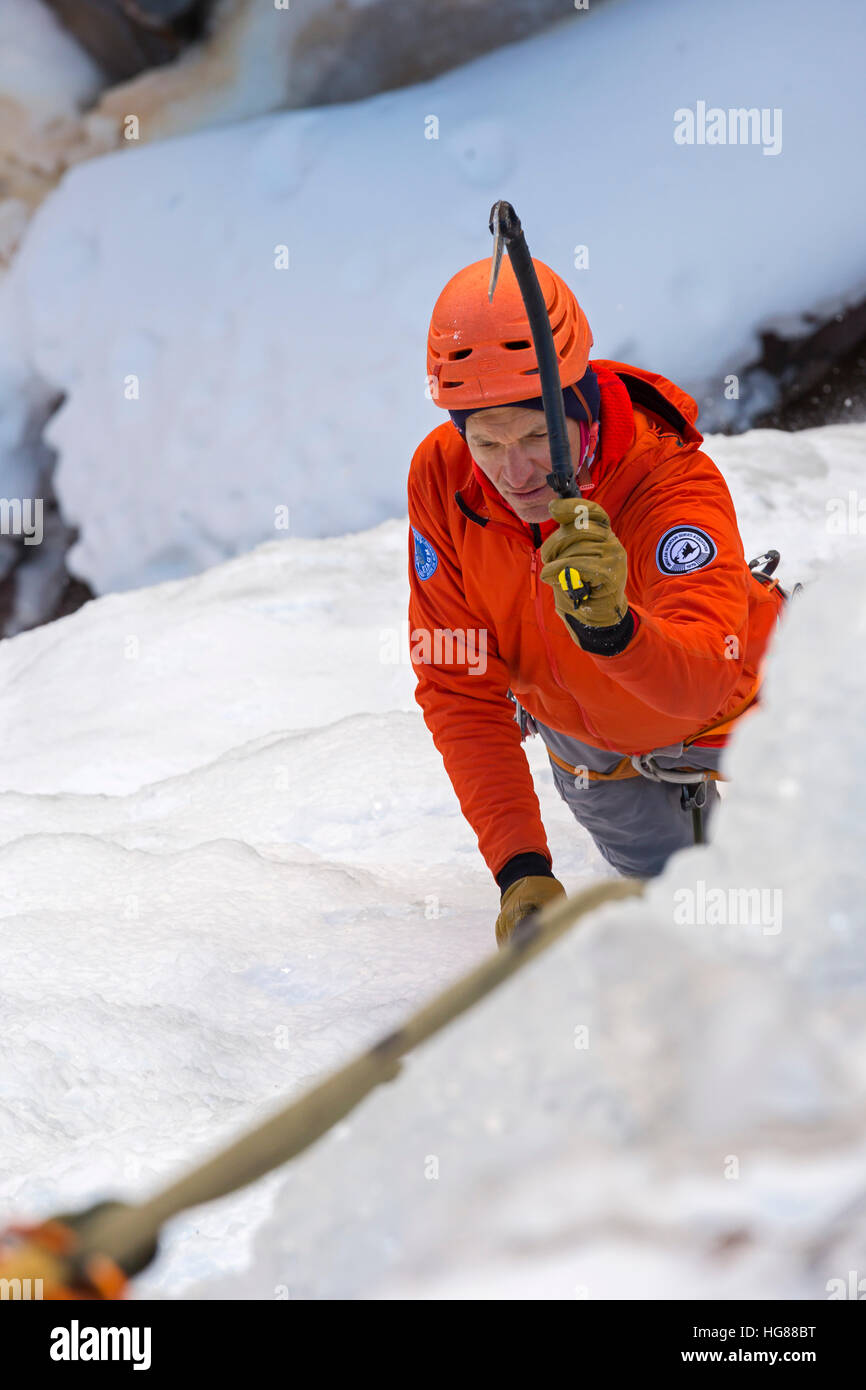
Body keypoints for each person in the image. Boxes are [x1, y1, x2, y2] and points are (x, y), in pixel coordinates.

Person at [407, 255, 787, 946]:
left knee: (820, 893)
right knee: (697, 935)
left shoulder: (669, 483)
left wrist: (615, 631)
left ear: (576, 405)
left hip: (744, 708)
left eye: (533, 436)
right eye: (487, 441)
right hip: (596, 760)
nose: (514, 471)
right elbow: (457, 684)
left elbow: (701, 681)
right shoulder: (444, 479)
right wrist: (520, 868)